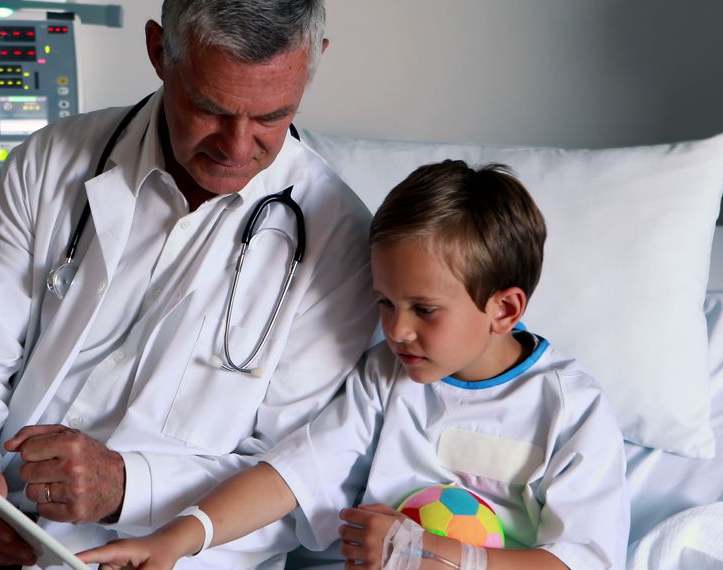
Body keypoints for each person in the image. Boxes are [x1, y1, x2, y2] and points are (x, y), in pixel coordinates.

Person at [0, 0, 378, 567]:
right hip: (3, 536)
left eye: (271, 116)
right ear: (157, 51)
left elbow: (296, 478)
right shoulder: (49, 163)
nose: (238, 148)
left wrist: (127, 485)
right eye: (209, 108)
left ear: (313, 60)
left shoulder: (338, 240)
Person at [80, 160, 631, 570]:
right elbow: (293, 474)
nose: (396, 330)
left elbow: (579, 561)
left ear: (504, 308)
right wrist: (179, 537)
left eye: (424, 310)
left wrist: (424, 553)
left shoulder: (569, 409)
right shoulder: (385, 377)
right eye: (385, 303)